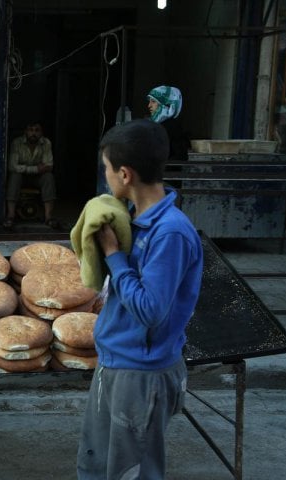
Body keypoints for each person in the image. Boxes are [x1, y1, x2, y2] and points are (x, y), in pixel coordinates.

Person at [76, 119, 203, 479]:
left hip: (142, 374)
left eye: (106, 170)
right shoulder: (133, 219)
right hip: (118, 361)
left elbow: (150, 309)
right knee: (98, 466)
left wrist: (114, 255)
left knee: (133, 472)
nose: (105, 178)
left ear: (125, 174)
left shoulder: (171, 233)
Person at [4, 122, 59, 229]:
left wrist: (25, 168)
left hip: (38, 177)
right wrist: (36, 168)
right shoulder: (17, 143)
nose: (33, 133)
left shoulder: (46, 143)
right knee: (14, 176)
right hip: (22, 176)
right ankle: (10, 216)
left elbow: (49, 166)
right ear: (26, 132)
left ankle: (48, 217)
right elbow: (12, 166)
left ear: (41, 133)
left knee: (49, 177)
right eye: (31, 130)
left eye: (37, 130)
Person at [146, 85, 190, 161]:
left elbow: (180, 157)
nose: (149, 105)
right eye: (149, 102)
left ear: (165, 103)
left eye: (153, 101)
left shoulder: (172, 126)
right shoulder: (155, 125)